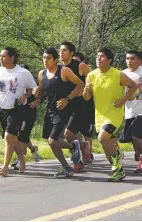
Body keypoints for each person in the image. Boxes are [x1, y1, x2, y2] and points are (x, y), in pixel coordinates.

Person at [83, 47, 137, 182]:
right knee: (106, 144)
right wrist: (86, 91)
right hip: (99, 115)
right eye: (97, 56)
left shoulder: (117, 74)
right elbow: (87, 98)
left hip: (114, 113)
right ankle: (116, 167)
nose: (98, 59)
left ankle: (118, 165)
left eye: (102, 56)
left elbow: (133, 86)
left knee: (102, 138)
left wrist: (123, 100)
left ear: (109, 59)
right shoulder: (91, 75)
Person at [0, 47, 37, 177]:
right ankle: (22, 158)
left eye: (3, 56)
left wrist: (25, 96)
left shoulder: (23, 72)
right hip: (3, 109)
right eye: (0, 56)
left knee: (8, 137)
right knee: (12, 140)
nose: (0, 58)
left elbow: (31, 89)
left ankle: (5, 168)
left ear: (12, 58)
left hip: (17, 109)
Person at [35, 48, 84, 178]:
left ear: (55, 60)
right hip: (50, 109)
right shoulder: (42, 74)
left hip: (64, 109)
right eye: (44, 58)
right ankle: (66, 167)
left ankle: (73, 147)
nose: (45, 61)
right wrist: (37, 96)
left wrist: (67, 99)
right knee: (52, 141)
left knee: (53, 141)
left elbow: (80, 84)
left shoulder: (64, 71)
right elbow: (41, 91)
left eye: (48, 58)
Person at [59, 41, 93, 172]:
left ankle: (78, 162)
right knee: (64, 135)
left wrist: (86, 91)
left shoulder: (80, 66)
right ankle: (84, 145)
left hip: (80, 103)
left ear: (72, 53)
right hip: (66, 103)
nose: (61, 53)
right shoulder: (60, 68)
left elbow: (94, 78)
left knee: (68, 134)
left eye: (64, 50)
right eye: (60, 51)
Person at [10, 64, 41, 170]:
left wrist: (37, 100)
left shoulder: (34, 84)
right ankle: (33, 149)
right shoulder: (14, 83)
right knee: (16, 136)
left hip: (29, 113)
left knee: (22, 134)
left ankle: (20, 159)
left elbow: (43, 94)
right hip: (17, 113)